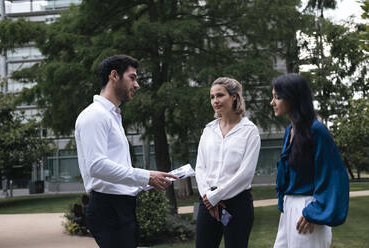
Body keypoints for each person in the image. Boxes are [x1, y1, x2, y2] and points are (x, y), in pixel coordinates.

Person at [75, 54, 177, 248]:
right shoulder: (94, 116)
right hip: (109, 208)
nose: (136, 85)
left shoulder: (112, 115)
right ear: (114, 76)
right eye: (133, 77)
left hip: (120, 206)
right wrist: (145, 176)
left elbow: (115, 167)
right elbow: (96, 166)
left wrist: (145, 183)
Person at [270, 73, 349, 248]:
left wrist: (315, 212)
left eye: (277, 97)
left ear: (293, 98)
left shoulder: (316, 130)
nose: (272, 103)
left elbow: (334, 175)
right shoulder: (290, 130)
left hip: (307, 209)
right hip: (289, 207)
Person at [195, 77, 261, 248]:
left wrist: (217, 196)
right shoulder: (209, 130)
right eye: (212, 97)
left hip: (238, 203)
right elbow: (200, 167)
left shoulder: (249, 131)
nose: (215, 101)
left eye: (220, 95)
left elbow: (245, 174)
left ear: (233, 97)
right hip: (207, 201)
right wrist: (209, 197)